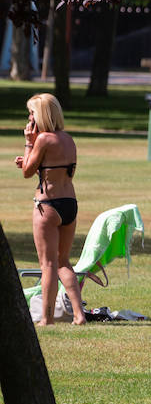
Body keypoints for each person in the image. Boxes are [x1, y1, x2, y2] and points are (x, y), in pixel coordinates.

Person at [14, 93, 84, 325]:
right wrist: (30, 162)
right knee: (64, 261)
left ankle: (46, 319)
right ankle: (79, 315)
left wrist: (28, 142)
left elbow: (26, 172)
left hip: (48, 206)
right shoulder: (68, 139)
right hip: (69, 204)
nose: (29, 117)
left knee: (48, 265)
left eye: (32, 112)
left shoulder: (42, 139)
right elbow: (59, 172)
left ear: (42, 115)